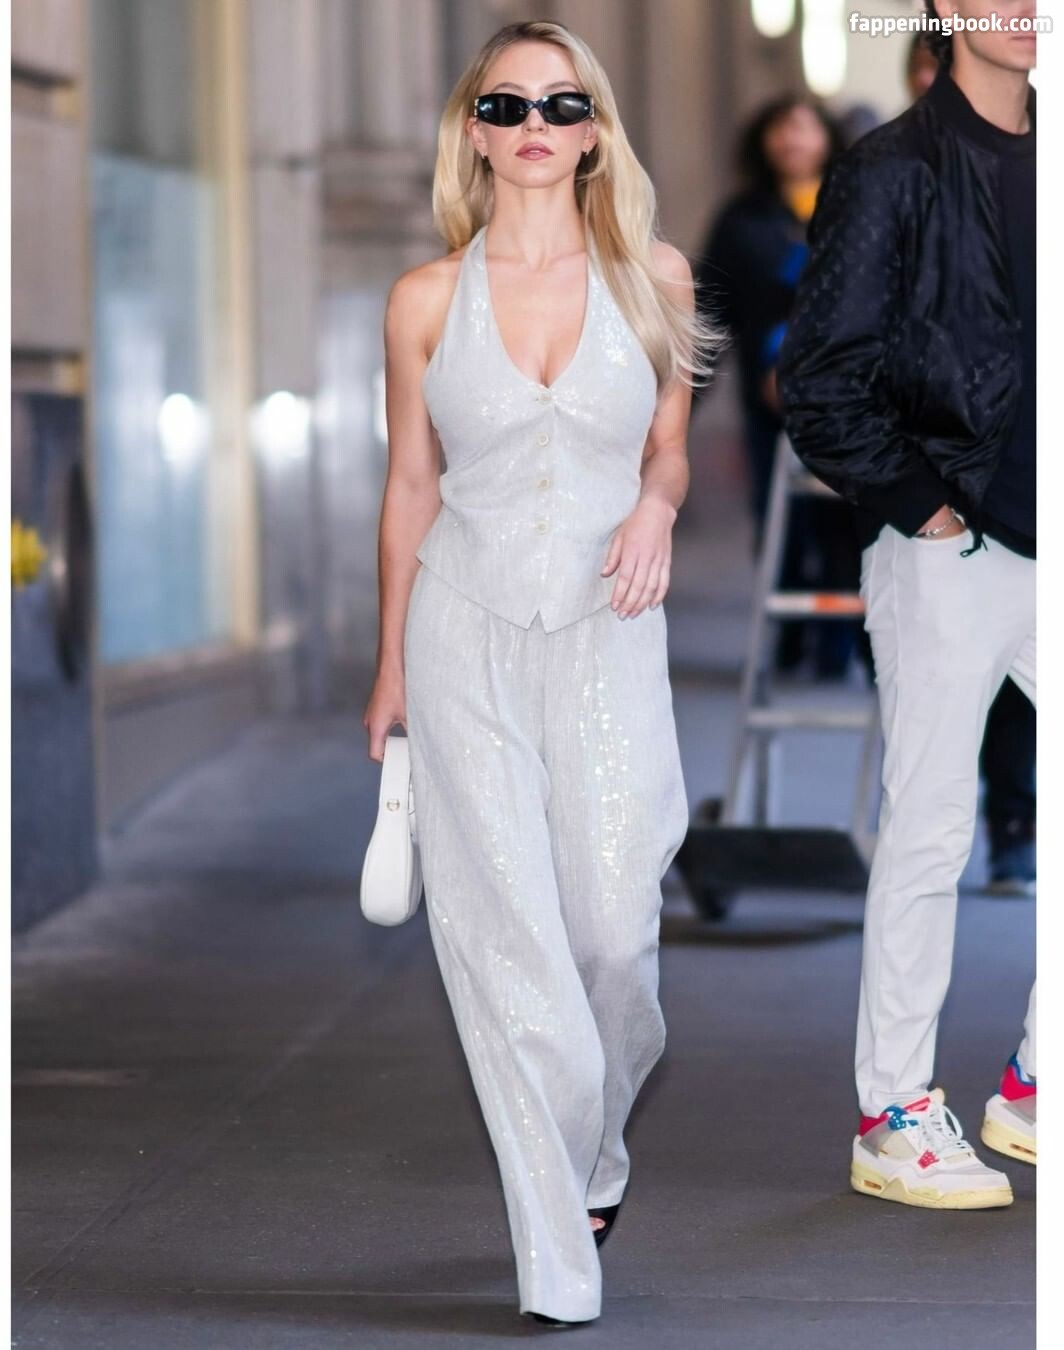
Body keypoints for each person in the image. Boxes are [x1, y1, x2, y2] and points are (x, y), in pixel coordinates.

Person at [363, 20, 718, 1326]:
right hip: (463, 632)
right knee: (507, 939)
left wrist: (658, 507)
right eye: (507, 106)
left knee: (615, 939)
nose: (533, 128)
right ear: (474, 129)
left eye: (561, 106)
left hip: (610, 627)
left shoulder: (655, 278)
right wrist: (389, 663)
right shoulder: (422, 299)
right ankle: (557, 1255)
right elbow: (410, 487)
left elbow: (668, 449)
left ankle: (597, 1149)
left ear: (594, 132)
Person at [778, 0, 1037, 1207]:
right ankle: (893, 1111)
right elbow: (821, 375)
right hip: (950, 542)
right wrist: (920, 508)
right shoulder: (891, 168)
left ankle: (1034, 1087)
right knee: (932, 827)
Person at [903, 28, 1037, 898]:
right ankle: (1007, 826)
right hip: (957, 507)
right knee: (938, 775)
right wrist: (926, 510)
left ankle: (1016, 824)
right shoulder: (896, 174)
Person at [692, 96, 862, 679]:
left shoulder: (855, 205)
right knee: (777, 520)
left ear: (827, 138)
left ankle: (838, 646)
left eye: (805, 129)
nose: (792, 140)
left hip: (844, 401)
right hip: (766, 403)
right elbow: (710, 312)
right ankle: (788, 640)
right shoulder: (742, 218)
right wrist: (679, 404)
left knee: (840, 521)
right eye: (781, 130)